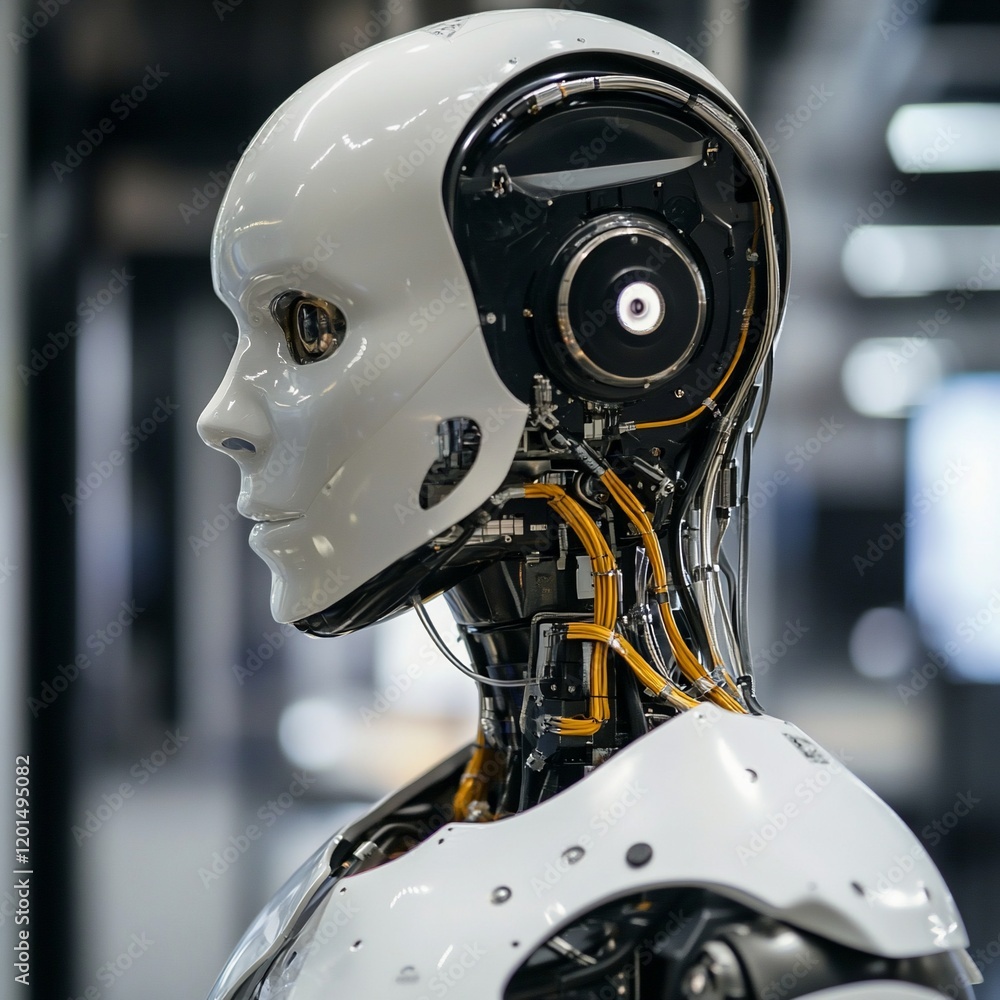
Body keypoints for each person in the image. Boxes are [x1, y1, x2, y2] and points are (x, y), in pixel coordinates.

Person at [197, 10, 978, 999]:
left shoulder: (780, 935)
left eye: (308, 325)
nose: (222, 416)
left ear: (610, 325)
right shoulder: (386, 857)